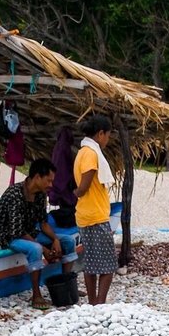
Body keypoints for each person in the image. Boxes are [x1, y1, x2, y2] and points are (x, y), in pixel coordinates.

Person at [0, 158, 78, 310]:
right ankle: (36, 295)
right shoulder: (15, 194)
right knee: (36, 249)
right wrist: (45, 250)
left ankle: (67, 283)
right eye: (48, 180)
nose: (51, 185)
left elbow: (43, 223)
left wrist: (55, 240)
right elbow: (17, 232)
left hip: (31, 232)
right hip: (10, 236)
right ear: (37, 177)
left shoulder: (40, 194)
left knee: (68, 241)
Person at [73, 114, 118, 305]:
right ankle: (99, 304)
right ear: (100, 134)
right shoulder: (91, 154)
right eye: (107, 135)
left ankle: (92, 304)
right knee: (108, 266)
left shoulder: (82, 152)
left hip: (85, 215)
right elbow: (84, 186)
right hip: (95, 216)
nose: (107, 140)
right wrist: (76, 191)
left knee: (90, 264)